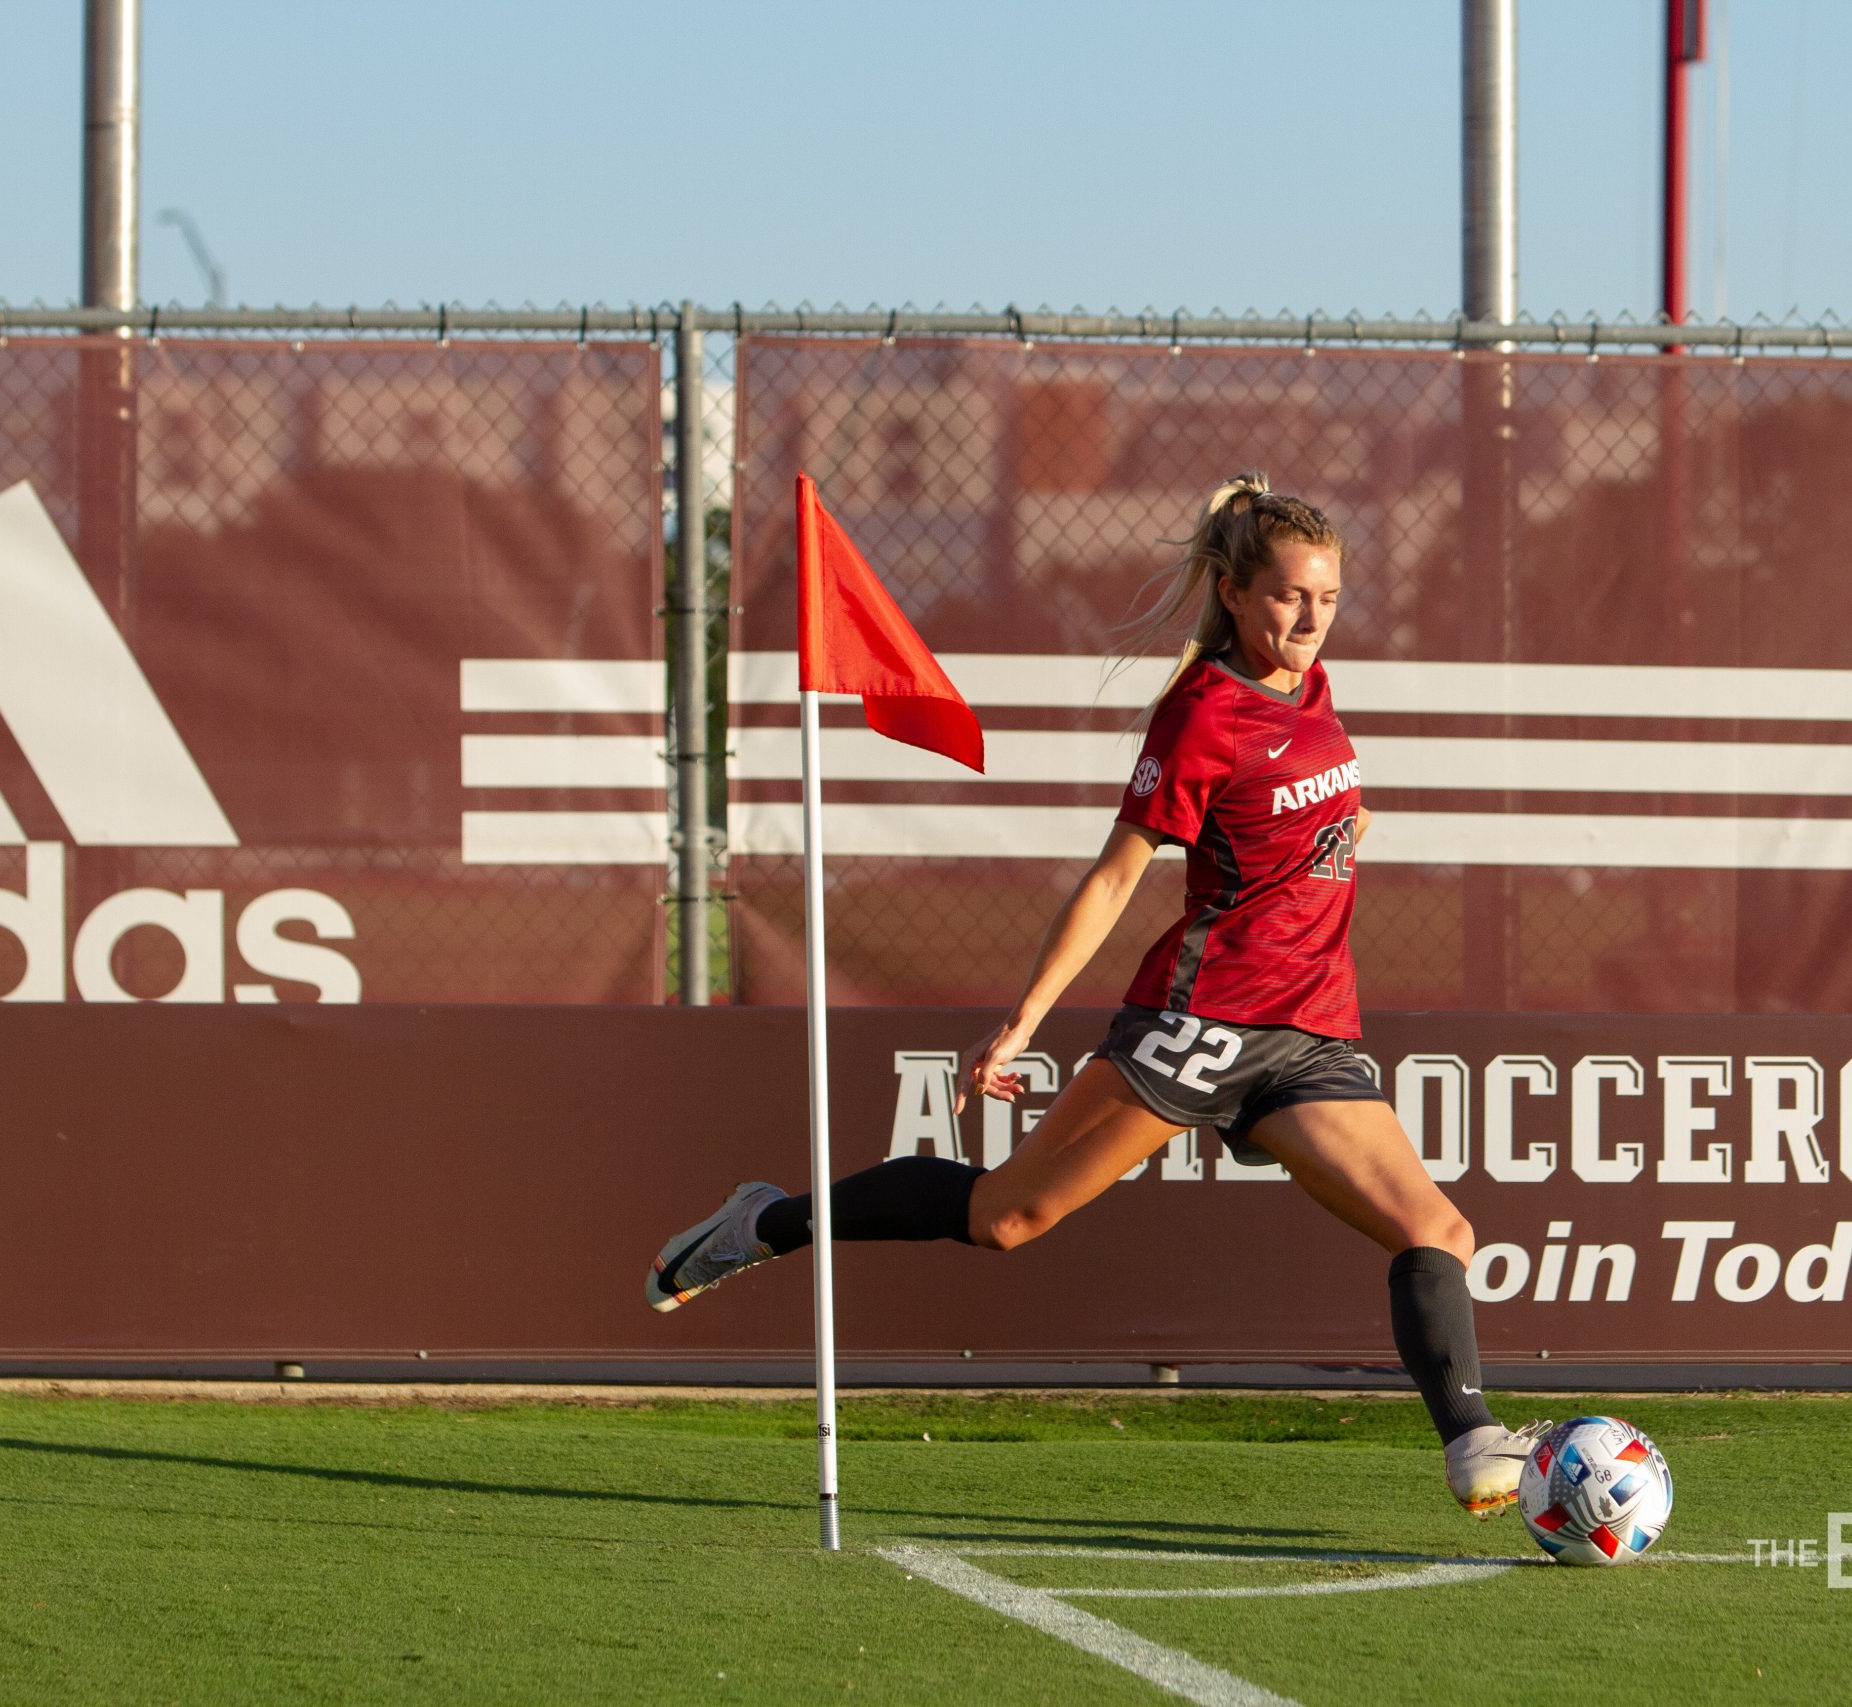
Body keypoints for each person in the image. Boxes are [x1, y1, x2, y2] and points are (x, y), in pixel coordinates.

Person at [644, 472, 1539, 1514]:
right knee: (1008, 1217)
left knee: (1436, 1231)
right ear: (1240, 595)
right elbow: (1116, 877)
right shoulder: (1203, 714)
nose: (1310, 617)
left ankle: (1472, 1440)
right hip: (1194, 1026)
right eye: (1291, 595)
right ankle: (767, 1221)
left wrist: (1339, 829)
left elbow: (1292, 809)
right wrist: (1023, 1019)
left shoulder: (1313, 685)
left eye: (1328, 597)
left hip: (1308, 1035)